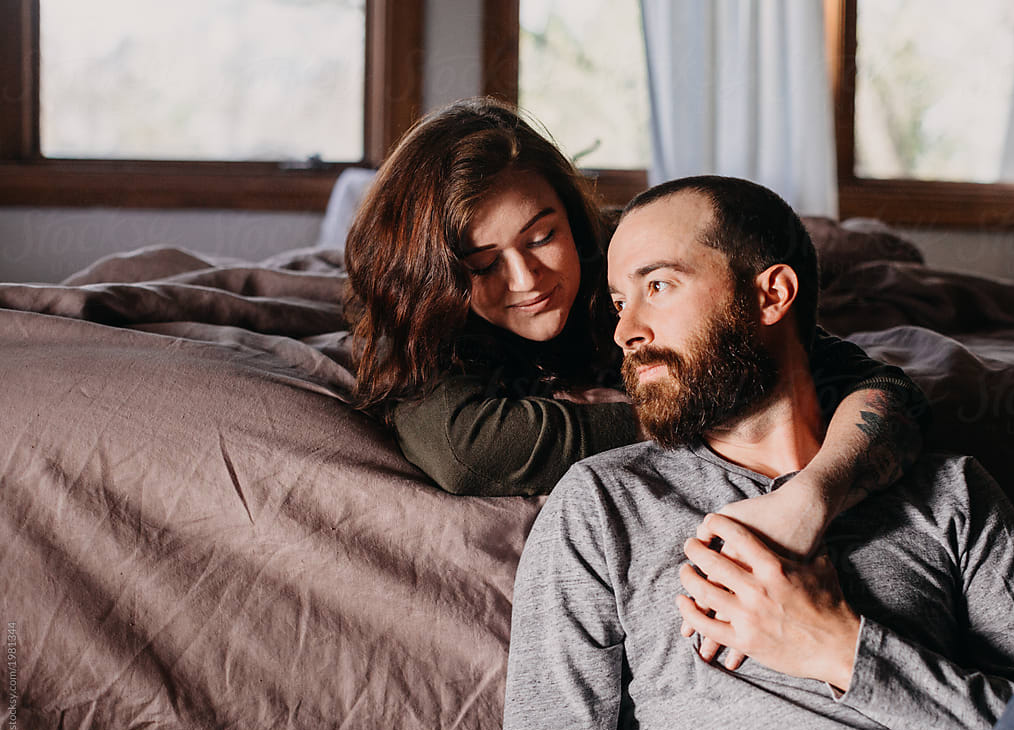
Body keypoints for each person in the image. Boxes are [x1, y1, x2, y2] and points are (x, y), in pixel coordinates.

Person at [498, 176, 1014, 730]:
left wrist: (840, 648)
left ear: (772, 295)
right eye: (618, 301)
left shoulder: (949, 493)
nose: (625, 331)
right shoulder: (606, 505)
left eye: (658, 286)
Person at [342, 98, 927, 563]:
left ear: (572, 216)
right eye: (483, 264)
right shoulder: (421, 320)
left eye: (543, 236)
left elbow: (872, 383)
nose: (527, 280)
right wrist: (698, 408)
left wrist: (813, 494)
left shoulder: (628, 262)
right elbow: (467, 450)